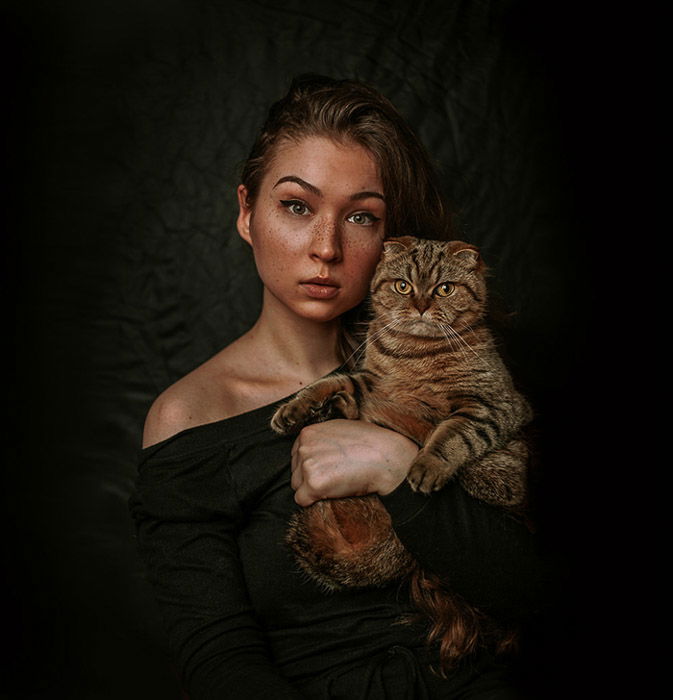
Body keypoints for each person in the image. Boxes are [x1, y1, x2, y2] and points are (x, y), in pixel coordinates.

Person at [130, 74, 549, 699]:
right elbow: (219, 660)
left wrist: (396, 466)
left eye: (361, 216)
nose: (325, 247)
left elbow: (530, 593)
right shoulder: (189, 418)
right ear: (247, 212)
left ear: (391, 242)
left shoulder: (451, 358)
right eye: (297, 206)